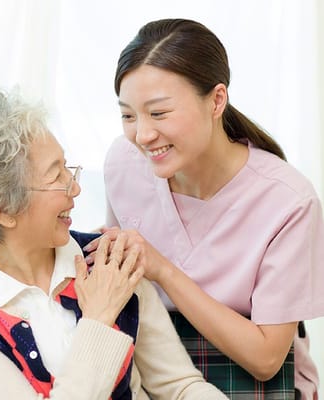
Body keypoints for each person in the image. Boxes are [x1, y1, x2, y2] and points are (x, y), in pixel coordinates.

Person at [0, 89, 227, 399]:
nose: (76, 188)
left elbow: (180, 388)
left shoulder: (110, 259)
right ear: (4, 210)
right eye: (57, 177)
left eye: (67, 168)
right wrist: (99, 316)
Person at [91, 18, 324, 399]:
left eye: (159, 113)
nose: (143, 135)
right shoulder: (123, 162)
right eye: (128, 116)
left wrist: (163, 270)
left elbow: (266, 358)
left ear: (216, 100)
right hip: (154, 365)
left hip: (255, 379)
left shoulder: (288, 201)